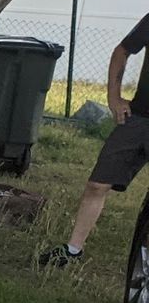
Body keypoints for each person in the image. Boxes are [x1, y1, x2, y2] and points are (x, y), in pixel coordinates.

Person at [40, 15, 149, 267]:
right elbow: (122, 51)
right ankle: (72, 251)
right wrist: (114, 97)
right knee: (97, 185)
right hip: (139, 118)